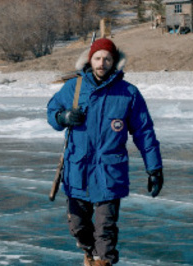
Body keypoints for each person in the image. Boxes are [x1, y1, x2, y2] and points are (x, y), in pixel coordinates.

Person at [47, 38, 164, 266]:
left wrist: (154, 168)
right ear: (90, 60)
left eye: (107, 58)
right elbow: (52, 111)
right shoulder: (74, 87)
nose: (102, 63)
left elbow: (144, 132)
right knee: (78, 226)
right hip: (77, 170)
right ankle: (90, 254)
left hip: (109, 173)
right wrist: (63, 117)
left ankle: (102, 260)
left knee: (105, 231)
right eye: (98, 58)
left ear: (114, 62)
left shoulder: (128, 93)